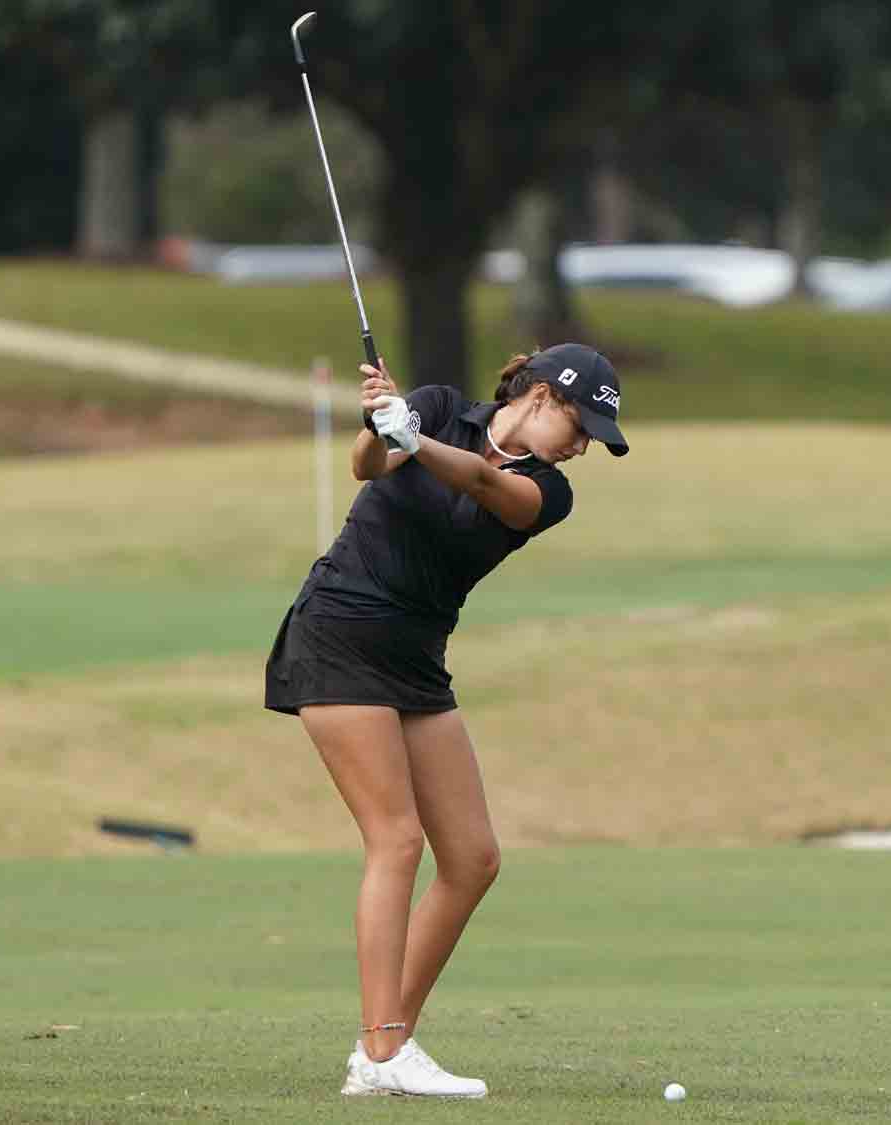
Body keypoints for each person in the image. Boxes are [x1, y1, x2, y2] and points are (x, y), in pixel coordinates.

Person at [264, 343, 629, 1098]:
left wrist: (412, 437)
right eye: (581, 424)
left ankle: (385, 1044)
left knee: (471, 858)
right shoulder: (433, 404)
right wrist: (382, 422)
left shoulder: (547, 491)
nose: (583, 444)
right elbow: (369, 465)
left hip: (415, 656)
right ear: (537, 395)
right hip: (342, 627)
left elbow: (483, 481)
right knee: (395, 838)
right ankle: (385, 1047)